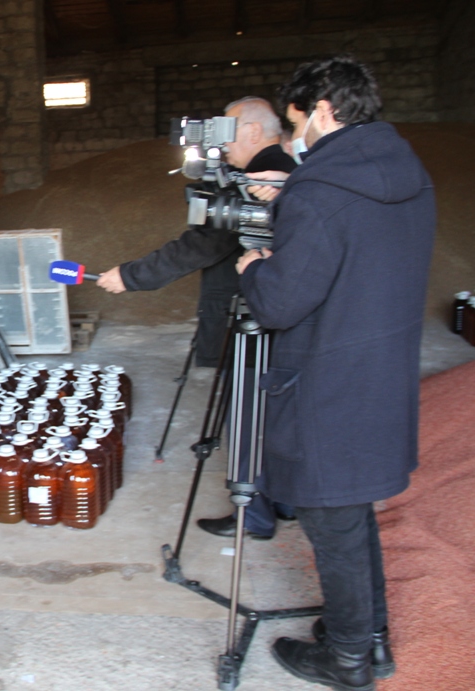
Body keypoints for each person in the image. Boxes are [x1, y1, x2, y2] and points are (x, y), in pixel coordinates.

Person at [236, 56, 435, 690]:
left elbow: (281, 302)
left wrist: (254, 269)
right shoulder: (406, 171)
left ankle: (349, 660)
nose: (295, 141)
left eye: (296, 123)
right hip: (381, 371)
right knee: (353, 514)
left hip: (328, 379)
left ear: (322, 110)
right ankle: (368, 636)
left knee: (331, 521)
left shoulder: (321, 190)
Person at [97, 96, 297, 539]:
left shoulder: (260, 181)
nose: (220, 147)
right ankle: (285, 501)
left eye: (225, 134)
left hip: (261, 312)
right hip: (292, 317)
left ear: (251, 132)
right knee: (283, 410)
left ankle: (255, 514)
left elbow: (204, 244)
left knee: (249, 411)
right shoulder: (290, 174)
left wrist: (130, 276)